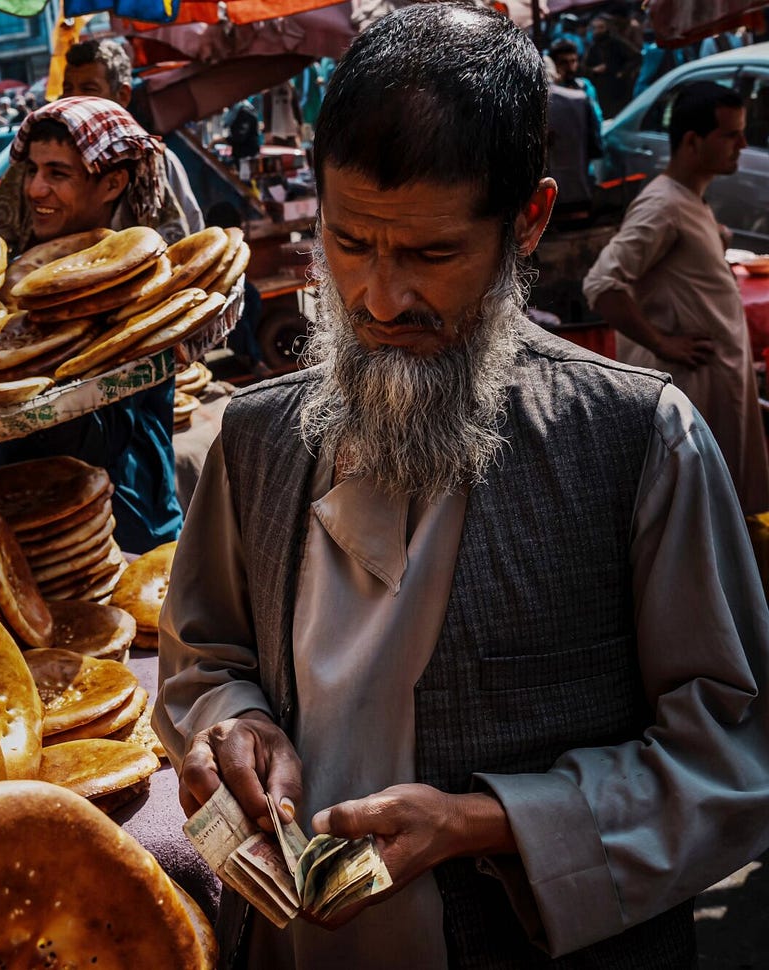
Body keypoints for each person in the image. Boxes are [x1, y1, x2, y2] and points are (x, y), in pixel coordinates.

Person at [155, 6, 769, 968]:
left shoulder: (639, 440)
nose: (378, 299)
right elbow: (202, 655)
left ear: (528, 219)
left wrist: (489, 821)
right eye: (350, 243)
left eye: (432, 255)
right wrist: (231, 725)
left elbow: (731, 759)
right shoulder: (257, 434)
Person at [0, 97, 184, 551]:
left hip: (122, 523)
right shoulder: (17, 283)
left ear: (112, 184)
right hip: (19, 520)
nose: (34, 189)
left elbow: (102, 435)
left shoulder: (143, 291)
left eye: (58, 174)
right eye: (32, 170)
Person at [584, 81, 769, 513]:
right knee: (699, 514)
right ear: (692, 141)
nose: (742, 144)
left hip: (716, 387)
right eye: (730, 134)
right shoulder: (662, 206)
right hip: (692, 392)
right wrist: (662, 342)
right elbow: (601, 284)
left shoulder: (689, 201)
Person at [61, 38, 204, 238]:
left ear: (122, 95)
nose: (74, 100)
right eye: (68, 89)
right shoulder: (51, 162)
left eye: (89, 90)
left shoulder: (157, 163)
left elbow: (193, 238)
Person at [545, 42, 602, 214]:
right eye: (564, 63)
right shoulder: (549, 94)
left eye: (573, 61)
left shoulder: (585, 88)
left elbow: (595, 124)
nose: (570, 67)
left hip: (582, 160)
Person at [584, 15, 641, 118]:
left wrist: (622, 72)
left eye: (601, 27)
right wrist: (594, 70)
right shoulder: (593, 47)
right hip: (601, 88)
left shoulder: (617, 43)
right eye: (595, 28)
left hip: (618, 88)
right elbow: (584, 67)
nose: (598, 31)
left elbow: (636, 57)